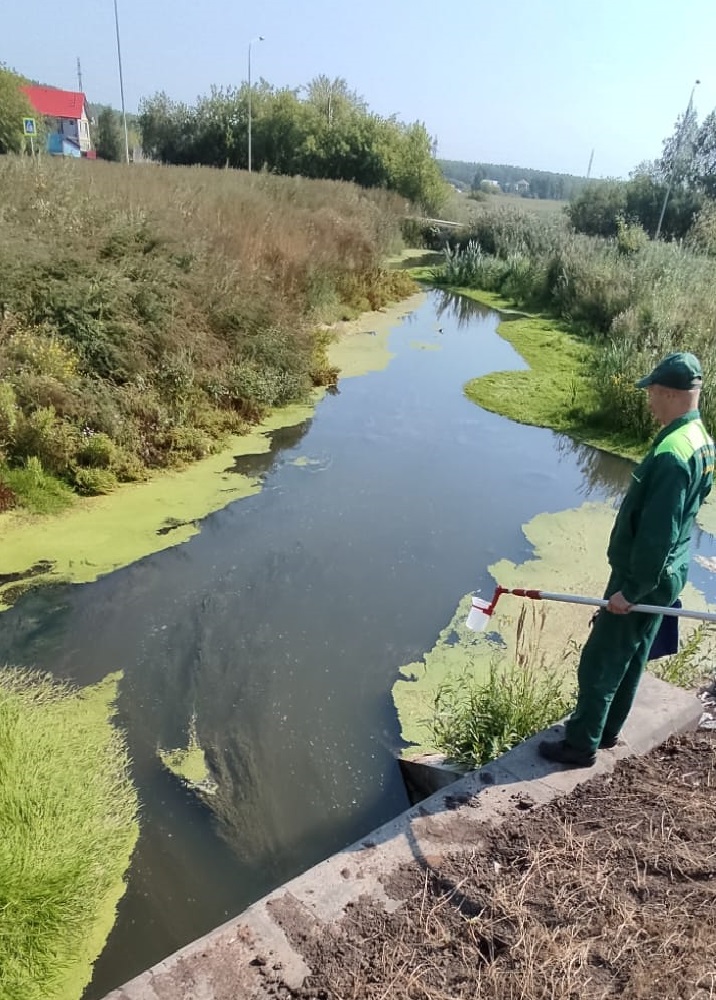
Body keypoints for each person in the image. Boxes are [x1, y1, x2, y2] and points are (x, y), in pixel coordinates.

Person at [539, 352, 714, 767]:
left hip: (644, 574)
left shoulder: (673, 454)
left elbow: (658, 533)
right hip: (671, 572)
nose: (649, 401)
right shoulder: (701, 440)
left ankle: (579, 746)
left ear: (670, 393)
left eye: (653, 393)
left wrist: (629, 590)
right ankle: (608, 731)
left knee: (601, 659)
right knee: (634, 655)